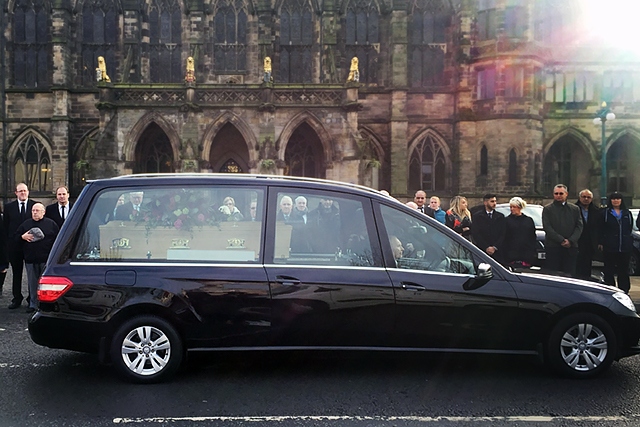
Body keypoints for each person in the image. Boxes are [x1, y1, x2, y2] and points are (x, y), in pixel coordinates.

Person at [16, 203, 59, 313]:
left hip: (46, 260)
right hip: (30, 259)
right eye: (33, 210)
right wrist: (22, 236)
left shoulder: (51, 224)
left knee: (46, 284)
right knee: (32, 283)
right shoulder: (26, 224)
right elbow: (15, 238)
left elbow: (57, 241)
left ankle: (46, 305)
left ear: (43, 212)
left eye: (37, 210)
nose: (35, 212)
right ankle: (33, 304)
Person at [4, 183, 37, 309]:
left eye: (25, 190)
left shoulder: (34, 206)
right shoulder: (9, 207)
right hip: (15, 246)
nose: (23, 193)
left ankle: (31, 299)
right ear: (16, 193)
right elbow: (6, 227)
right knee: (16, 273)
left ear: (28, 192)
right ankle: (16, 298)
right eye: (20, 191)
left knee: (31, 274)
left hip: (31, 245)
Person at [542, 184, 583, 277]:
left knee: (569, 275)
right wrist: (561, 240)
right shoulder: (548, 209)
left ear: (566, 194)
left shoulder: (575, 209)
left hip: (571, 248)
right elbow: (547, 227)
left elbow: (579, 226)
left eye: (561, 193)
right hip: (553, 247)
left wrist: (571, 240)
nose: (558, 195)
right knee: (553, 275)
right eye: (556, 193)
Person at [598, 192, 634, 294]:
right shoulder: (605, 213)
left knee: (623, 271)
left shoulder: (627, 213)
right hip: (610, 246)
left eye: (618, 198)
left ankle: (624, 291)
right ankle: (610, 290)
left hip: (624, 247)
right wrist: (601, 242)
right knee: (609, 270)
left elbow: (629, 228)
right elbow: (600, 229)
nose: (616, 201)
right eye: (613, 199)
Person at [503, 197, 537, 268]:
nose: (512, 209)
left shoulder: (528, 220)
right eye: (510, 207)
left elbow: (532, 237)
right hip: (511, 254)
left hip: (526, 255)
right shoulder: (506, 220)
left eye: (514, 207)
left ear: (520, 207)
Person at [575, 189, 601, 280]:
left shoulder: (596, 211)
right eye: (584, 197)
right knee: (576, 268)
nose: (586, 199)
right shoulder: (574, 209)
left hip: (590, 243)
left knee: (587, 268)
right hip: (577, 242)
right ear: (579, 198)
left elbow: (599, 227)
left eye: (588, 197)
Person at [472, 194, 506, 263]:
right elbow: (476, 233)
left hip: (497, 252)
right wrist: (486, 247)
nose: (494, 203)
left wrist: (495, 247)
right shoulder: (477, 216)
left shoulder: (500, 217)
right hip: (483, 251)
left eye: (495, 201)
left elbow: (503, 233)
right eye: (492, 201)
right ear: (485, 202)